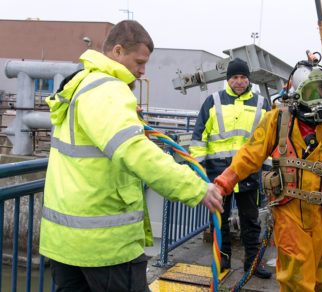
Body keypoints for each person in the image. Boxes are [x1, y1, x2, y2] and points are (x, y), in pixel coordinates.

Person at [40, 20, 223, 292]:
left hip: (66, 242)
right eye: (138, 61)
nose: (142, 70)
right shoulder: (108, 91)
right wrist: (196, 188)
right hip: (104, 246)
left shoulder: (81, 84)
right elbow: (135, 151)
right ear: (116, 51)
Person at [214, 61, 322, 291]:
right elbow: (249, 155)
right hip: (290, 211)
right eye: (312, 91)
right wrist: (223, 183)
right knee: (297, 279)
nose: (319, 97)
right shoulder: (277, 121)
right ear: (297, 94)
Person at [189, 58, 272, 279]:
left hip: (249, 175)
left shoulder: (262, 104)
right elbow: (199, 138)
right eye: (235, 77)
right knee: (218, 221)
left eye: (243, 77)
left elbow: (270, 142)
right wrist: (200, 172)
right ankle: (222, 259)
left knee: (251, 222)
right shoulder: (212, 101)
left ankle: (252, 264)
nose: (239, 81)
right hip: (218, 176)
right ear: (228, 79)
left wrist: (267, 170)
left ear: (249, 80)